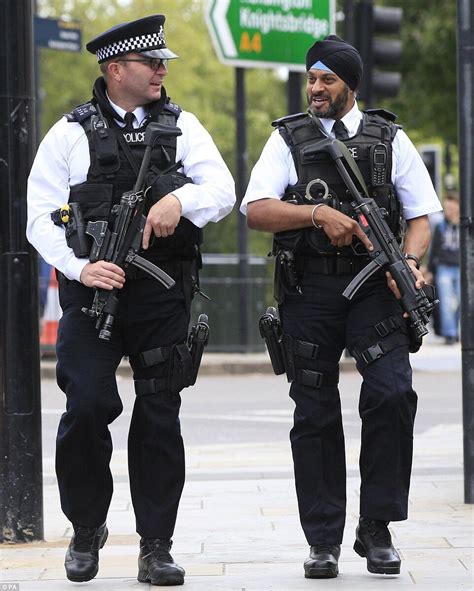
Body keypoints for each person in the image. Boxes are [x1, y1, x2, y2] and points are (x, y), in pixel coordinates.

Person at [27, 14, 235, 586]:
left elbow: (223, 189)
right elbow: (39, 217)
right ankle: (87, 526)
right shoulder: (69, 133)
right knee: (88, 406)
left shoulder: (181, 125)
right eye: (151, 62)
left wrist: (181, 202)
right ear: (115, 69)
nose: (162, 70)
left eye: (163, 62)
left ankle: (156, 546)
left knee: (160, 416)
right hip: (92, 294)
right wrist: (80, 267)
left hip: (162, 295)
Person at [242, 35, 441, 579]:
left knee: (393, 393)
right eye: (311, 78)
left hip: (376, 287)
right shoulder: (287, 139)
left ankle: (376, 527)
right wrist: (315, 217)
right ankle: (323, 539)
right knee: (314, 413)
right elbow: (256, 209)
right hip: (308, 291)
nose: (316, 88)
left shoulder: (389, 138)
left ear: (350, 84)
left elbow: (421, 216)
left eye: (327, 79)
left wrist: (410, 263)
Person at [428, 193, 460, 344]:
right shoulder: (440, 225)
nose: (449, 210)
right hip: (444, 267)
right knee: (446, 303)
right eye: (446, 207)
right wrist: (429, 269)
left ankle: (457, 329)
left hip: (461, 267)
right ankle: (450, 334)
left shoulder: (465, 225)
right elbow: (434, 249)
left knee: (463, 301)